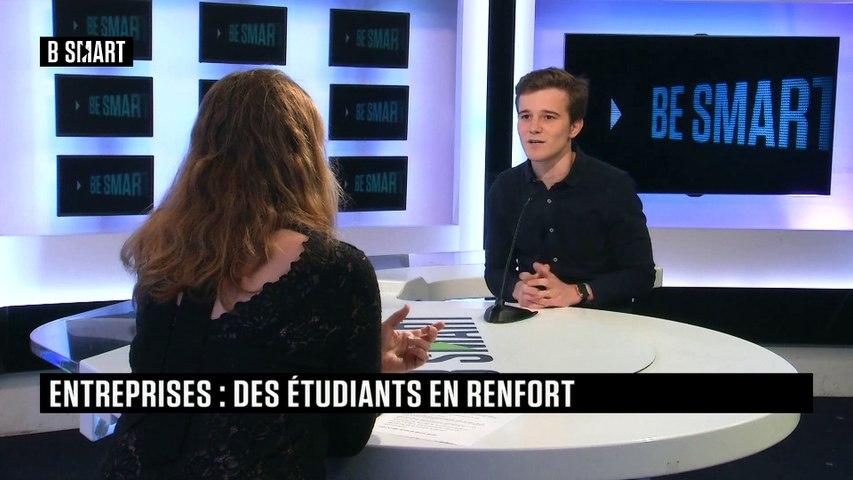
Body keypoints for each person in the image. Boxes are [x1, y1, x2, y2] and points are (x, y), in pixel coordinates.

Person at [101, 69, 443, 479]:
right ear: (305, 156)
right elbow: (345, 437)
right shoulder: (337, 270)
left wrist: (365, 363)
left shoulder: (163, 253)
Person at [485, 67, 654, 311]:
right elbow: (495, 270)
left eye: (548, 117)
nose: (534, 128)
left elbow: (640, 274)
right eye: (525, 116)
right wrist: (517, 288)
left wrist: (577, 291)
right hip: (532, 320)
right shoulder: (505, 187)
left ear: (574, 127)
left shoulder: (613, 186)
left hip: (600, 321)